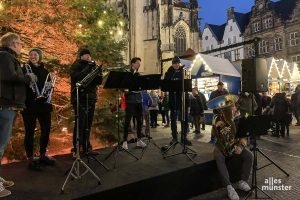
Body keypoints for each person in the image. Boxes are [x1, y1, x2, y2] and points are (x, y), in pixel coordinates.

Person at [0, 32, 34, 197]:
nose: (21, 46)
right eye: (20, 43)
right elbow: (9, 77)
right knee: (0, 145)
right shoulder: (5, 56)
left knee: (1, 144)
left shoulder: (8, 57)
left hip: (9, 106)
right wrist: (27, 77)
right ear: (13, 44)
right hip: (5, 106)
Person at [21, 48, 55, 171]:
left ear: (40, 57)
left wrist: (50, 87)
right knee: (29, 132)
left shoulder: (45, 71)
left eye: (35, 54)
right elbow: (20, 84)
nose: (33, 56)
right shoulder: (24, 69)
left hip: (44, 105)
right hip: (29, 105)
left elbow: (49, 87)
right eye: (31, 54)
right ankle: (30, 159)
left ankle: (42, 155)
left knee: (46, 130)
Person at [212, 101, 253, 200]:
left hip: (236, 143)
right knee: (218, 155)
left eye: (233, 106)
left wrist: (241, 147)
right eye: (231, 107)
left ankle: (242, 181)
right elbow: (214, 138)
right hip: (222, 145)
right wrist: (216, 128)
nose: (233, 108)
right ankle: (228, 186)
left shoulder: (240, 118)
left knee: (249, 155)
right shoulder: (218, 118)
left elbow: (244, 135)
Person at [70, 48, 103, 154]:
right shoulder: (76, 65)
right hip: (80, 98)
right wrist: (88, 68)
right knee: (80, 124)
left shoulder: (93, 66)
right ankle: (76, 148)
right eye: (86, 55)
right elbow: (76, 77)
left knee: (88, 125)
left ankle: (86, 147)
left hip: (91, 98)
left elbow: (98, 82)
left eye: (89, 55)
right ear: (81, 56)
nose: (88, 56)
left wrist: (99, 73)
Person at [164, 56, 191, 145]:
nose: (176, 65)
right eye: (174, 63)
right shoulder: (168, 73)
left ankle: (184, 137)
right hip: (173, 98)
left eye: (177, 63)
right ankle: (174, 137)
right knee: (173, 118)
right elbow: (165, 85)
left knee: (184, 118)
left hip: (183, 98)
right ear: (172, 64)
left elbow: (188, 84)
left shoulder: (184, 71)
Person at [122, 57, 147, 150]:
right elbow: (124, 88)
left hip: (138, 99)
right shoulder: (127, 74)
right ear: (132, 64)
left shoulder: (138, 74)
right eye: (137, 63)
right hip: (130, 100)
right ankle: (124, 141)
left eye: (140, 63)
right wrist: (127, 91)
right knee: (127, 121)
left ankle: (139, 140)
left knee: (139, 121)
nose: (139, 64)